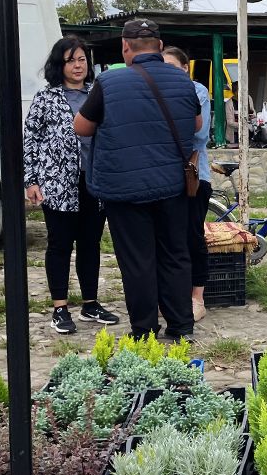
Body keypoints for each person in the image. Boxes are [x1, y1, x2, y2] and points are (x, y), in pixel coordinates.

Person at [73, 19, 202, 341]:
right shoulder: (183, 80)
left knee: (138, 261)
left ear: (125, 47)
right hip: (173, 186)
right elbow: (197, 125)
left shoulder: (109, 83)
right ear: (159, 47)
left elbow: (81, 127)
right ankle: (181, 326)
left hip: (125, 192)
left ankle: (144, 330)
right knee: (175, 255)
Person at [23, 36, 120, 335]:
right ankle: (60, 307)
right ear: (59, 65)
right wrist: (32, 180)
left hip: (94, 181)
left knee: (90, 244)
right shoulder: (46, 98)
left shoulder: (97, 93)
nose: (77, 66)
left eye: (81, 60)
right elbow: (31, 139)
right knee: (60, 245)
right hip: (58, 183)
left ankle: (90, 303)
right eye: (70, 60)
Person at [162, 46, 212, 323]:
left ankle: (197, 297)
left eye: (173, 66)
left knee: (193, 236)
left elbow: (199, 135)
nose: (167, 72)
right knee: (168, 239)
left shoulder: (197, 91)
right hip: (164, 178)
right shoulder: (155, 92)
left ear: (185, 68)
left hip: (194, 176)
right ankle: (172, 295)